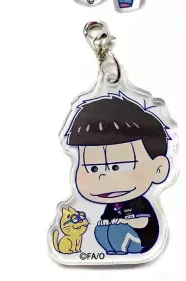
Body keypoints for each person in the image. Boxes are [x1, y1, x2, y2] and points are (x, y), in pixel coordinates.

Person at [64, 93, 170, 256]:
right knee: (101, 229)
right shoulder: (111, 205)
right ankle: (111, 251)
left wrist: (123, 221)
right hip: (120, 238)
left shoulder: (139, 202)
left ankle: (122, 250)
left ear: (158, 169)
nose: (103, 177)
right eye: (93, 168)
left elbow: (143, 222)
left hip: (141, 240)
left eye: (118, 166)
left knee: (119, 229)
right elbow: (107, 219)